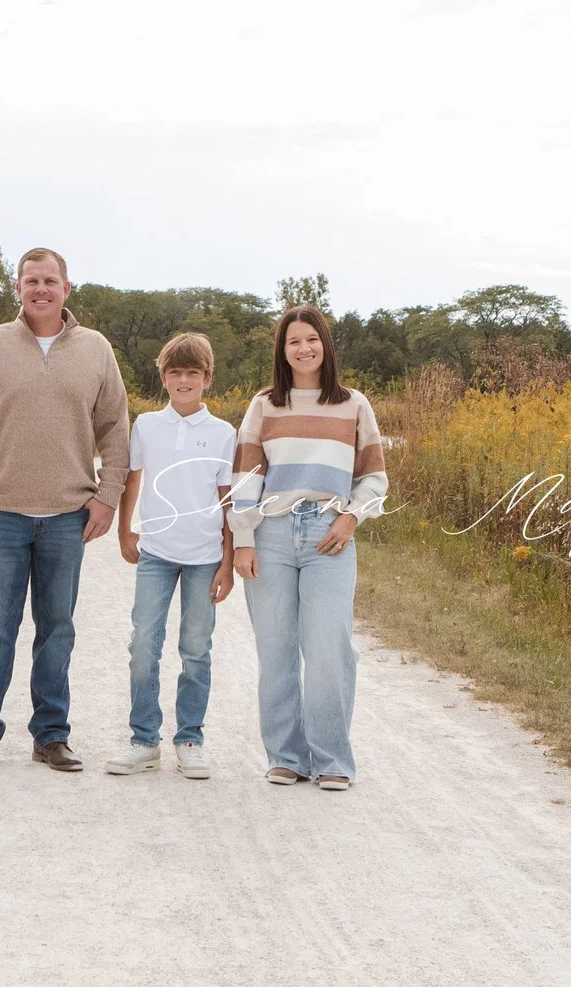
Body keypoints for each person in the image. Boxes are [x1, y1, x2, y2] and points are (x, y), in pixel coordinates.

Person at [0, 247, 131, 774]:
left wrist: (107, 496)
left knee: (57, 629)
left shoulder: (95, 349)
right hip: (1, 511)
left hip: (68, 514)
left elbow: (116, 427)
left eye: (50, 280)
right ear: (18, 289)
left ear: (66, 288)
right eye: (31, 281)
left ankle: (51, 735)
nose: (41, 289)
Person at [229, 304, 386, 790]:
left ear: (326, 344)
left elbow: (374, 477)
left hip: (328, 535)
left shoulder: (353, 404)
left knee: (328, 650)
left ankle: (332, 759)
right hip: (272, 534)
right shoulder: (264, 405)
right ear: (282, 349)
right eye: (293, 341)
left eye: (311, 339)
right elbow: (245, 479)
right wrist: (244, 541)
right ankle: (286, 756)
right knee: (275, 650)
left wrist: (350, 516)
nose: (303, 348)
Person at [105, 332, 235, 779]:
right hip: (156, 552)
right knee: (143, 644)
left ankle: (190, 739)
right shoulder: (146, 426)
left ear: (207, 379)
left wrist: (228, 560)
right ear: (163, 377)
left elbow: (227, 500)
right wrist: (125, 530)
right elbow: (132, 479)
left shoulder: (223, 434)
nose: (184, 380)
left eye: (192, 374)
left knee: (196, 648)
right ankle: (144, 740)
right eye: (175, 372)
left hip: (204, 556)